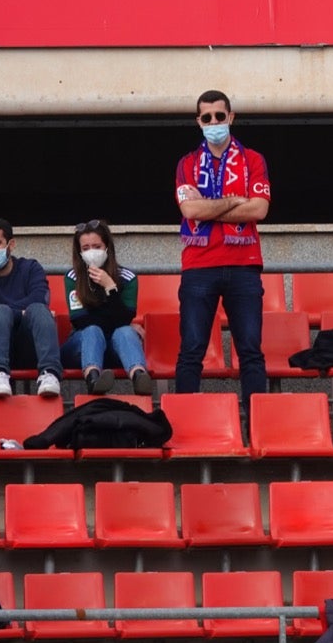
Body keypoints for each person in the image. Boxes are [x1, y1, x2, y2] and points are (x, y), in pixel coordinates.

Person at [175, 90, 270, 409]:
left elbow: (258, 210)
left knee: (251, 351)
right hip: (198, 267)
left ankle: (258, 427)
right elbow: (190, 212)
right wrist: (232, 201)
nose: (214, 122)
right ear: (198, 122)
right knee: (192, 349)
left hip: (244, 266)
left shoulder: (254, 160)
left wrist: (208, 206)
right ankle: (184, 426)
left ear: (231, 117)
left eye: (219, 116)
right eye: (207, 117)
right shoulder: (187, 164)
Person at [0, 216, 61, 400]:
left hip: (28, 344)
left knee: (38, 310)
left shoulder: (30, 268)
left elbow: (39, 298)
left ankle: (49, 374)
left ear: (11, 244)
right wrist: (19, 312)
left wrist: (10, 312)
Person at [62, 218, 152, 396]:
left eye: (96, 246)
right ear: (79, 252)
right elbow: (80, 321)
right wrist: (117, 320)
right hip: (81, 348)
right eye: (86, 248)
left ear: (107, 248)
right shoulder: (72, 278)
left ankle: (139, 377)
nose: (91, 252)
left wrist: (110, 287)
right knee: (93, 330)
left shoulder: (127, 278)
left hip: (115, 349)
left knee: (125, 332)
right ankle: (93, 379)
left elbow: (124, 319)